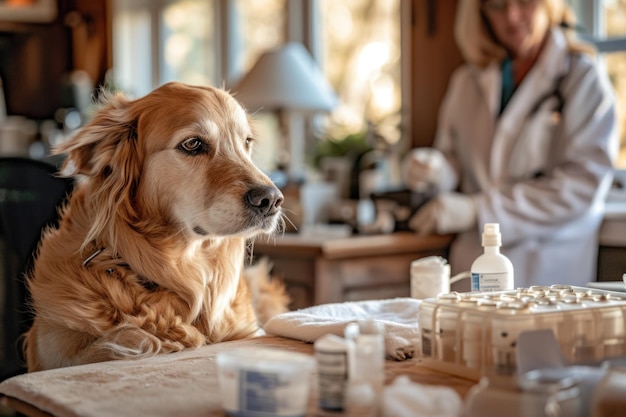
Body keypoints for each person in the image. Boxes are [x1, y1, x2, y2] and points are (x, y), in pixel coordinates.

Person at [403, 0, 619, 288]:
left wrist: (478, 211)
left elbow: (581, 185)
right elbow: (454, 157)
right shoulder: (468, 80)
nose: (512, 17)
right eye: (497, 5)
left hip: (548, 269)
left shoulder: (583, 78)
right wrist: (437, 171)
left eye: (525, 2)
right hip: (473, 268)